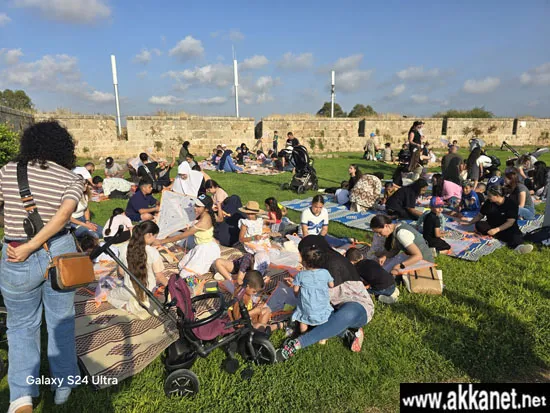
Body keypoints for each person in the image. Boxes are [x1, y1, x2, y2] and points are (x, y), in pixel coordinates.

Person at [0, 121, 84, 411]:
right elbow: (64, 215)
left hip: (16, 252)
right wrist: (35, 244)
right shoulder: (71, 178)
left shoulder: (8, 170)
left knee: (21, 326)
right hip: (59, 251)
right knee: (62, 320)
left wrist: (22, 241)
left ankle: (21, 396)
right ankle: (64, 385)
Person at [277, 235, 374, 360]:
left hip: (359, 307)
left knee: (346, 313)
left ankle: (297, 344)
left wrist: (300, 288)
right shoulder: (321, 263)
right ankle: (347, 333)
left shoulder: (333, 264)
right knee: (317, 315)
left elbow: (319, 295)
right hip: (335, 306)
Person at [107, 221, 169, 314]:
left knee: (109, 296)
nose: (155, 240)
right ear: (149, 235)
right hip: (149, 293)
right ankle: (140, 304)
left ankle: (128, 306)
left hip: (129, 291)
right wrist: (171, 287)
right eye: (155, 237)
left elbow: (121, 272)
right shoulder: (153, 252)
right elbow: (160, 276)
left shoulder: (123, 248)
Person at [167, 194, 221, 287]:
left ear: (206, 209)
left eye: (198, 206)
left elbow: (182, 235)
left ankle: (201, 281)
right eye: (195, 205)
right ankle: (210, 270)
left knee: (186, 276)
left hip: (205, 250)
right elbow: (220, 218)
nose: (195, 207)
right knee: (181, 265)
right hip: (203, 246)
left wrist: (161, 241)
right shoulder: (207, 215)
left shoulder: (203, 222)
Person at [466, 186, 533, 254]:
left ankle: (519, 248)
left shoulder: (511, 203)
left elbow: (510, 222)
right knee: (479, 224)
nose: (488, 197)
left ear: (497, 196)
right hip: (492, 224)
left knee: (515, 233)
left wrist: (496, 230)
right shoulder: (488, 202)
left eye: (490, 196)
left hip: (507, 226)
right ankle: (499, 235)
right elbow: (480, 215)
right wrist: (470, 222)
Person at [291, 246, 334, 343]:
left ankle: (304, 336)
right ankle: (323, 338)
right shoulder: (325, 272)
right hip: (322, 306)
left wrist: (297, 295)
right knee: (324, 321)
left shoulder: (300, 275)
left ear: (304, 262)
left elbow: (295, 290)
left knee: (303, 320)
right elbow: (331, 285)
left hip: (306, 307)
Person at [370, 214, 434, 275]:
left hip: (424, 261)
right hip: (413, 256)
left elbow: (418, 256)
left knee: (391, 272)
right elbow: (396, 249)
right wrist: (385, 256)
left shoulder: (401, 234)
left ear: (386, 226)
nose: (379, 235)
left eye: (379, 232)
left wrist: (400, 265)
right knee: (386, 268)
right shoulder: (396, 228)